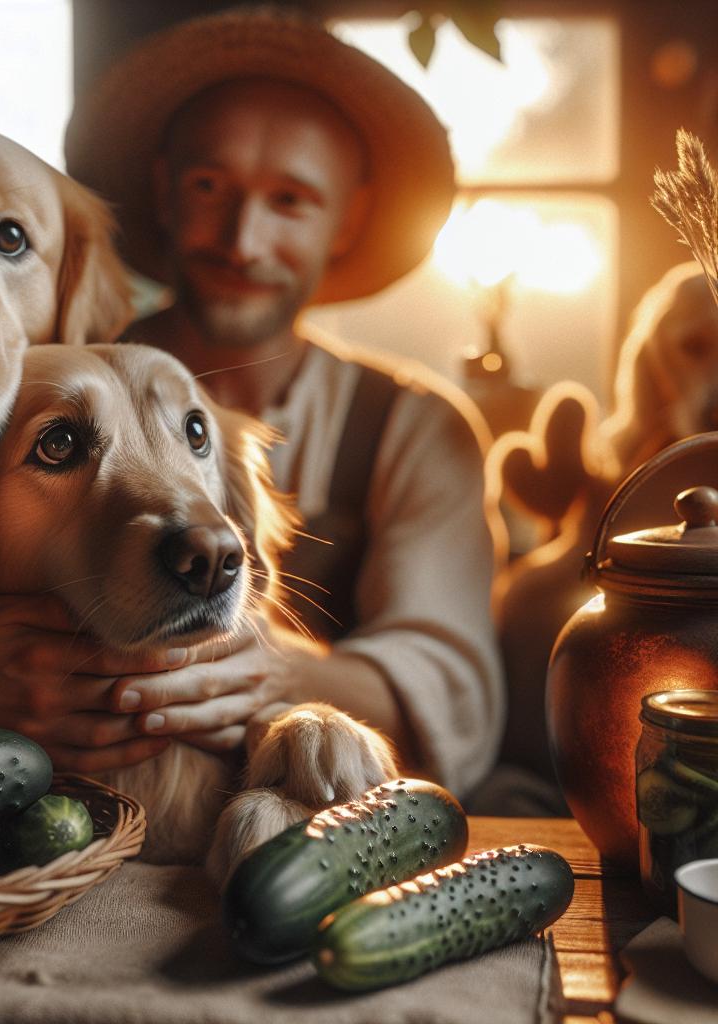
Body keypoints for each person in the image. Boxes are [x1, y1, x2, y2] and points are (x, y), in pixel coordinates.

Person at [62, 7, 505, 796]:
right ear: (164, 190)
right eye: (209, 186)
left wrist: (263, 666)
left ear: (351, 218)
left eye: (291, 199)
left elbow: (449, 682)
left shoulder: (416, 427)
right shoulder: (58, 396)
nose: (244, 240)